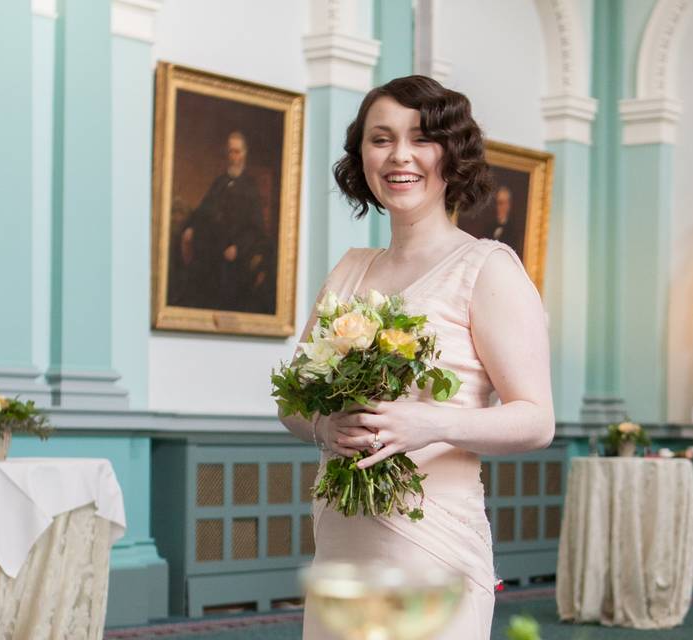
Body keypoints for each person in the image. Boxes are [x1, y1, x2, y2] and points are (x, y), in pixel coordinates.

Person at [279, 76, 555, 639]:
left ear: (452, 155)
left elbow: (536, 418)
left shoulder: (488, 268)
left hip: (431, 546)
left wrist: (429, 422)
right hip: (343, 542)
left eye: (421, 139)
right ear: (361, 155)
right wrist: (327, 425)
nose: (399, 155)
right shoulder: (349, 269)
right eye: (381, 139)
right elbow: (291, 403)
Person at [175, 131, 272, 312]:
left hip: (236, 259)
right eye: (230, 152)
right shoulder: (219, 182)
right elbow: (202, 211)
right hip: (212, 252)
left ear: (244, 154)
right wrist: (190, 228)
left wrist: (238, 248)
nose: (233, 157)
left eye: (237, 152)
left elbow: (256, 229)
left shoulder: (250, 187)